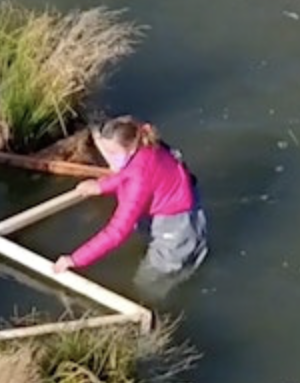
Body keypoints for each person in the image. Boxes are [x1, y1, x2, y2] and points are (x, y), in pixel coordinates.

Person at [53, 116, 207, 286]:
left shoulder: (137, 180)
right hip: (177, 198)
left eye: (112, 153)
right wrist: (101, 186)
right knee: (184, 253)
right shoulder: (146, 145)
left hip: (175, 224)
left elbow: (117, 231)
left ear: (130, 148)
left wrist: (74, 259)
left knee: (148, 283)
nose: (109, 159)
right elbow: (126, 174)